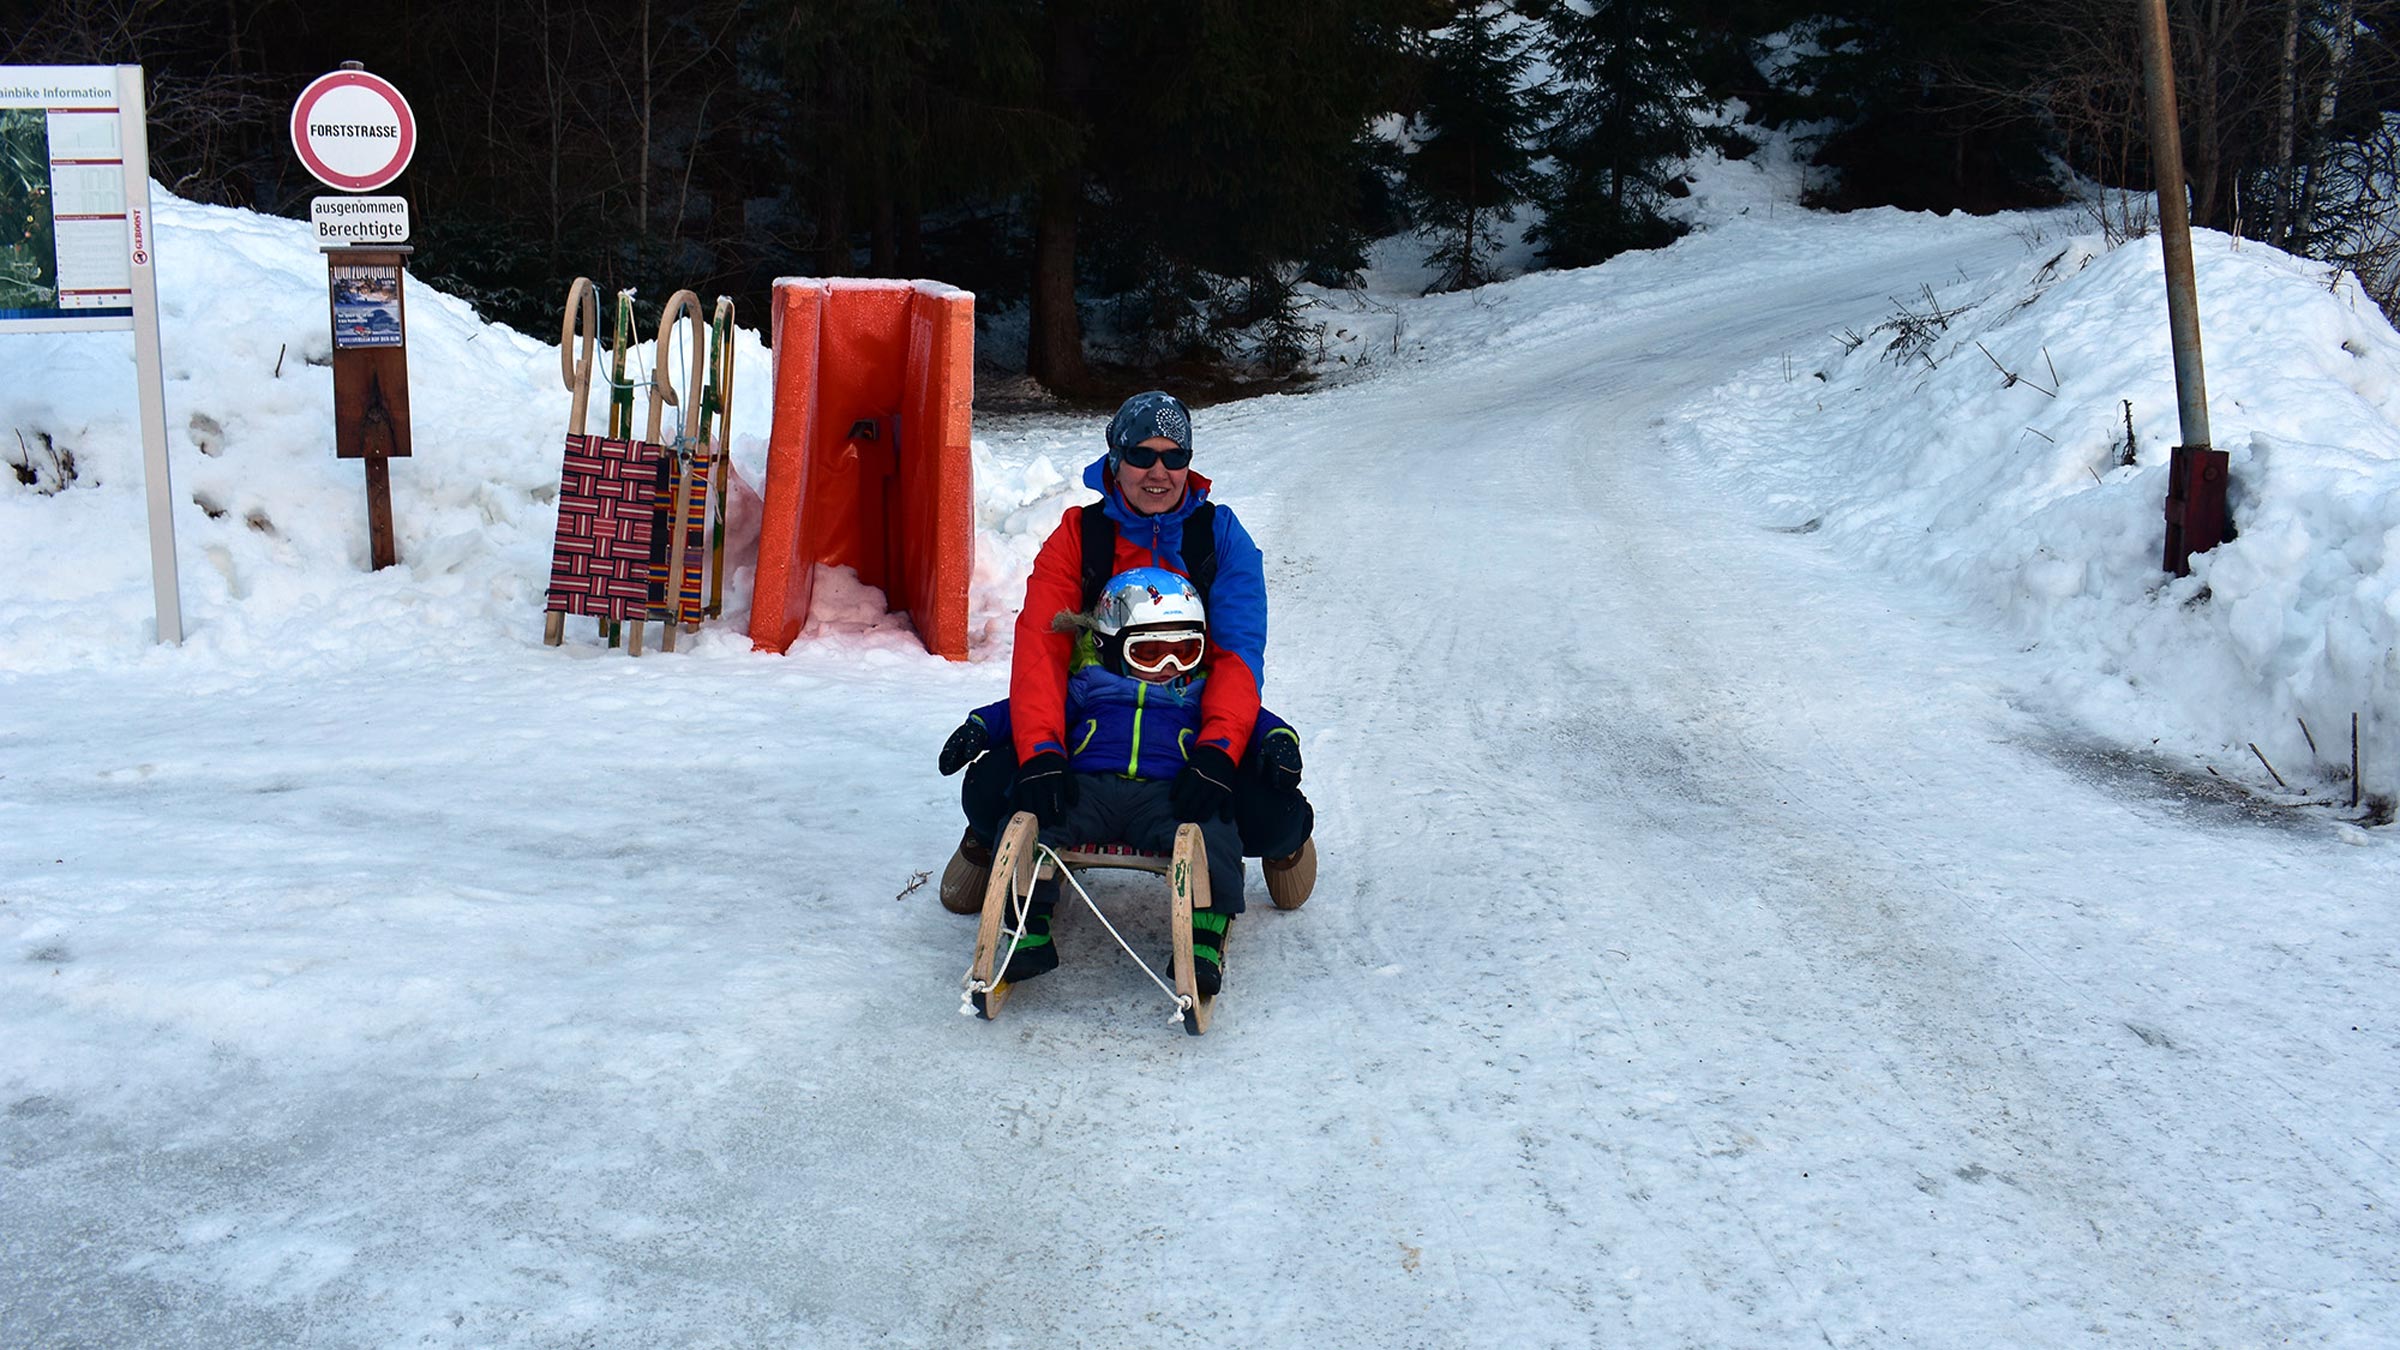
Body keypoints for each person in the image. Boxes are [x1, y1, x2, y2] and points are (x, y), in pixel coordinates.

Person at [936, 390, 1315, 908]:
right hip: (1094, 726)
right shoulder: (1081, 535)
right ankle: (992, 846)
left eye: (1174, 457)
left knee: (1272, 813)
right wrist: (1041, 752)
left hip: (1187, 728)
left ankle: (1284, 852)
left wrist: (1219, 751)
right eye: (1142, 455)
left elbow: (1237, 653)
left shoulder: (1218, 537)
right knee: (991, 788)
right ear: (1116, 458)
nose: (1158, 472)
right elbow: (1042, 649)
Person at [962, 568, 1246, 992]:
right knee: (1030, 817)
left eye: (1185, 651)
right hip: (1088, 793)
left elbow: (1253, 720)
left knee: (1215, 828)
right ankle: (1029, 926)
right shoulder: (1091, 685)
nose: (1169, 668)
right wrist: (981, 726)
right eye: (1149, 654)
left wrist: (1278, 742)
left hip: (1167, 799)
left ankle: (1206, 932)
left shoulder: (1199, 692)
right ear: (1110, 648)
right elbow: (1031, 704)